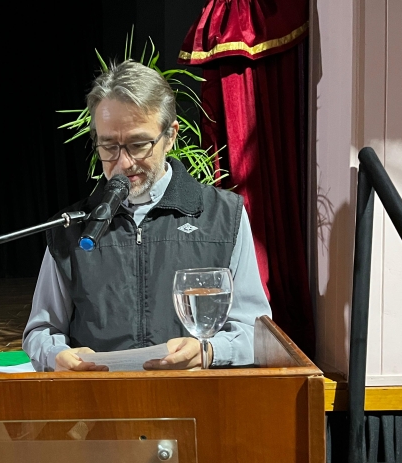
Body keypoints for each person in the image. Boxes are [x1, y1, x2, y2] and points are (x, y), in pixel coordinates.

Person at [22, 61, 270, 372]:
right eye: (109, 146)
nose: (124, 163)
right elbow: (41, 331)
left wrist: (208, 351)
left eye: (139, 144)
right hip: (99, 405)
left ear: (170, 136)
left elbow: (254, 331)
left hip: (195, 404)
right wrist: (54, 355)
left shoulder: (223, 215)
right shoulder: (71, 227)